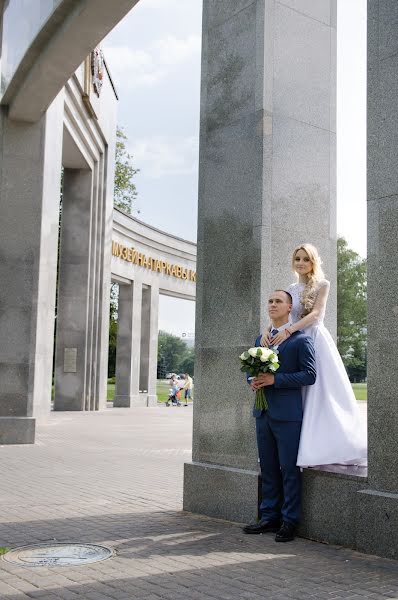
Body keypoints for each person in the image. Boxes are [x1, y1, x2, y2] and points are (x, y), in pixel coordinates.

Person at [261, 244, 367, 467]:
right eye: (297, 259)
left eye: (305, 259)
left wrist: (290, 330)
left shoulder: (322, 284)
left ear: (313, 262)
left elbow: (317, 313)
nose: (300, 263)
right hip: (292, 341)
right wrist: (268, 330)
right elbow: (282, 314)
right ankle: (298, 446)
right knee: (297, 393)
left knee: (320, 392)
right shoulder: (290, 288)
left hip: (313, 338)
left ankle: (326, 447)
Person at [243, 290, 316, 542]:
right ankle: (268, 517)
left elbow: (309, 375)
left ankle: (289, 521)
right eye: (270, 301)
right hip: (262, 412)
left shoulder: (300, 340)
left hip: (288, 415)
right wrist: (252, 381)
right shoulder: (260, 339)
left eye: (278, 302)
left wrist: (276, 379)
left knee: (289, 470)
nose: (273, 305)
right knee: (269, 468)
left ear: (289, 307)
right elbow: (250, 371)